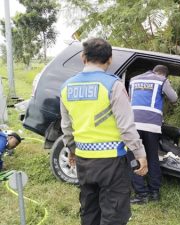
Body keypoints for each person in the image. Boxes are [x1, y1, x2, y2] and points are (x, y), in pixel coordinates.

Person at [60, 38, 148, 225]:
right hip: (111, 161)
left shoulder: (67, 87)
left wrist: (72, 149)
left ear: (83, 57)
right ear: (110, 59)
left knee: (89, 210)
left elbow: (67, 127)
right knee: (114, 214)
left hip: (84, 161)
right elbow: (126, 127)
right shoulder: (112, 85)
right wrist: (140, 153)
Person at [129, 65, 178, 204]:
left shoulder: (134, 79)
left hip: (133, 124)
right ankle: (154, 193)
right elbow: (174, 98)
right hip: (152, 125)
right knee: (152, 157)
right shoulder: (162, 80)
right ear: (165, 75)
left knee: (134, 158)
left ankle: (140, 194)